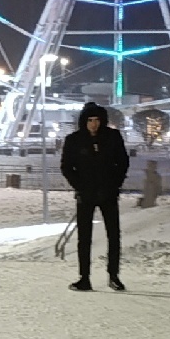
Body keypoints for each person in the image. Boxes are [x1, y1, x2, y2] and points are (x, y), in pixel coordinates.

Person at [58, 102, 131, 292]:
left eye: (97, 120)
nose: (94, 124)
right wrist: (80, 186)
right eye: (90, 120)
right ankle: (84, 278)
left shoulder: (112, 137)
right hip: (86, 194)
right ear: (84, 121)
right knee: (84, 238)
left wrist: (115, 184)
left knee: (113, 235)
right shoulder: (74, 140)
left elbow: (122, 162)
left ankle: (114, 276)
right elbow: (66, 167)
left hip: (108, 193)